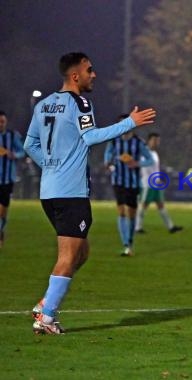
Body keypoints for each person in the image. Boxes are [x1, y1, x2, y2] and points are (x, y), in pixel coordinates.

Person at [24, 52, 156, 334]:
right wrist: (129, 123)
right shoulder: (80, 102)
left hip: (50, 191)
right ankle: (46, 318)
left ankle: (46, 301)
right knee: (68, 256)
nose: (93, 74)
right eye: (89, 70)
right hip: (71, 192)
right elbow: (91, 137)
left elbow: (29, 144)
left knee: (81, 252)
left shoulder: (45, 104)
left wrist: (49, 165)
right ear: (75, 76)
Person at [104, 116, 154, 257]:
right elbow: (108, 152)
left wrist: (137, 164)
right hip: (118, 180)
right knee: (121, 211)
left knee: (131, 214)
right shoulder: (115, 140)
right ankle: (125, 244)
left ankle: (130, 243)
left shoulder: (138, 143)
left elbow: (149, 159)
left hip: (132, 182)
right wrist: (107, 161)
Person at [135, 132, 182, 234]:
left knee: (161, 205)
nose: (156, 143)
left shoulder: (155, 153)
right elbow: (145, 168)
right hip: (148, 183)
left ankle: (171, 227)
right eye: (154, 140)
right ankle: (137, 228)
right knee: (143, 205)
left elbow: (155, 168)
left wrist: (158, 179)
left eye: (158, 141)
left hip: (155, 183)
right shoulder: (145, 153)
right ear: (149, 141)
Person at [0, 111, 25, 247]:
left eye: (2, 121)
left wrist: (14, 155)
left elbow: (22, 151)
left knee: (3, 211)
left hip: (7, 180)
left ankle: (1, 230)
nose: (1, 124)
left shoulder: (12, 135)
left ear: (6, 122)